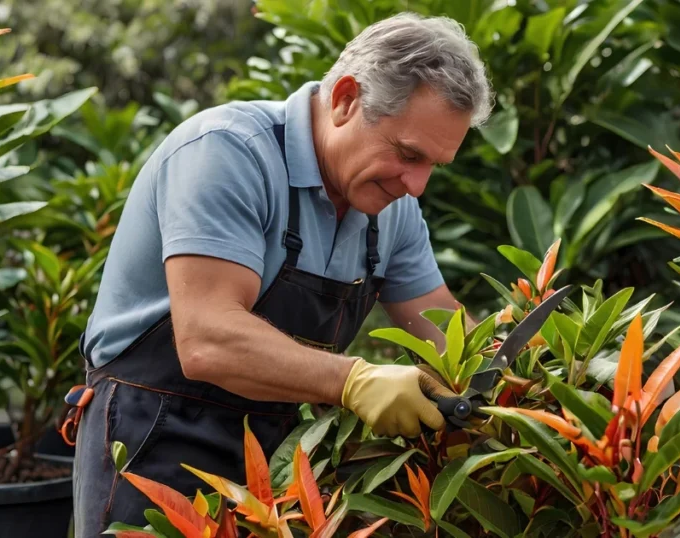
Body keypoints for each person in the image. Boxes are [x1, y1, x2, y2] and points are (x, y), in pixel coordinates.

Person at [62, 11, 494, 537]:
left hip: (277, 458)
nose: (418, 185)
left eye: (433, 166)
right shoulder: (227, 153)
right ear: (345, 100)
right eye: (408, 154)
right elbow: (206, 340)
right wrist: (354, 379)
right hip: (153, 440)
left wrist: (541, 380)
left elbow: (444, 328)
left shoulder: (391, 208)